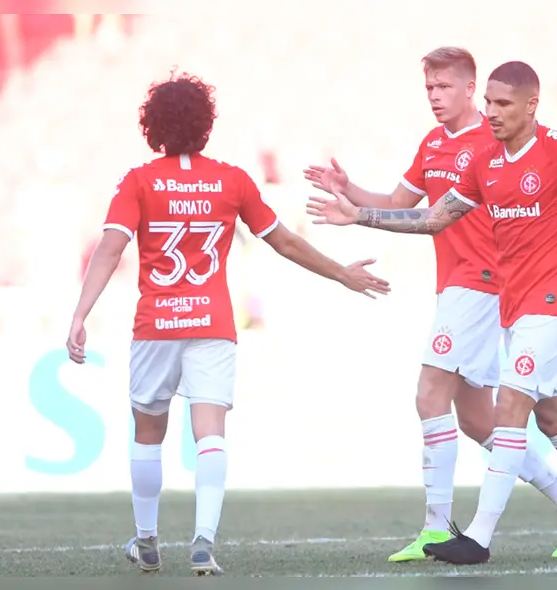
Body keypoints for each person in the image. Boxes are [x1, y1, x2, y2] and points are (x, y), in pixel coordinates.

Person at [307, 60, 557, 564]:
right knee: (555, 416)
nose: (492, 113)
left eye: (502, 104)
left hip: (554, 303)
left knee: (508, 408)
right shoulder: (486, 163)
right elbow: (433, 219)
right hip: (514, 306)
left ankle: (476, 537)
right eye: (489, 104)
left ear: (530, 105)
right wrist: (360, 215)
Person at [65, 73, 390, 576]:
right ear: (206, 125)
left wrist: (80, 313)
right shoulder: (231, 181)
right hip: (213, 323)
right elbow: (284, 241)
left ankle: (148, 540)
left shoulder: (138, 181)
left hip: (157, 324)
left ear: (152, 127)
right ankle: (203, 542)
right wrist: (341, 273)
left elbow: (111, 247)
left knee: (148, 432)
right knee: (210, 431)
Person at [304, 47, 557, 561]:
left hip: (484, 285)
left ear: (471, 89)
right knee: (479, 421)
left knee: (429, 393)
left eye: (444, 88)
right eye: (428, 90)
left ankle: (437, 526)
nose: (436, 98)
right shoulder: (433, 144)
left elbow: (546, 217)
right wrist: (349, 191)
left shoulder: (498, 140)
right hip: (462, 287)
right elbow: (401, 205)